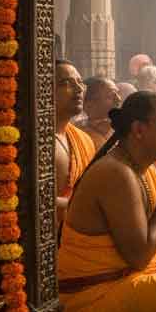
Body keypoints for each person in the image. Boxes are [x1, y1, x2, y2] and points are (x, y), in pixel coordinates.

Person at [57, 92, 156, 312]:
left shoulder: (143, 169)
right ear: (138, 129)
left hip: (131, 281)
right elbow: (139, 257)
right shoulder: (115, 173)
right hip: (95, 298)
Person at [54, 61, 96, 230]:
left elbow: (90, 191)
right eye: (66, 83)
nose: (79, 89)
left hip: (78, 236)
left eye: (80, 82)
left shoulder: (83, 139)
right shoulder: (33, 141)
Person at [78, 77, 122, 150]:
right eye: (110, 96)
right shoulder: (79, 133)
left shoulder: (125, 128)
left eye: (118, 93)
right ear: (89, 104)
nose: (118, 99)